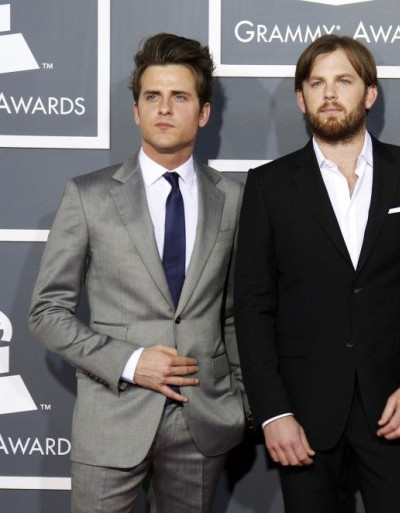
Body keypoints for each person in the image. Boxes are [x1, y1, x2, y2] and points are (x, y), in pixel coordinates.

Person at [234, 34, 400, 513]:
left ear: (369, 94)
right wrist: (273, 412)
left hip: (397, 408)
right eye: (316, 83)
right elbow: (252, 308)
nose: (329, 93)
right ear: (301, 99)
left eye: (343, 80)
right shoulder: (269, 185)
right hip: (304, 416)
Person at [28, 33, 247, 513]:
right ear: (136, 110)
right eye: (152, 96)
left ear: (203, 113)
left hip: (202, 423)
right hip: (112, 417)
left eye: (180, 97)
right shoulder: (88, 196)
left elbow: (235, 314)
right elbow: (47, 312)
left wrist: (240, 406)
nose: (164, 108)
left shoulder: (233, 199)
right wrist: (129, 362)